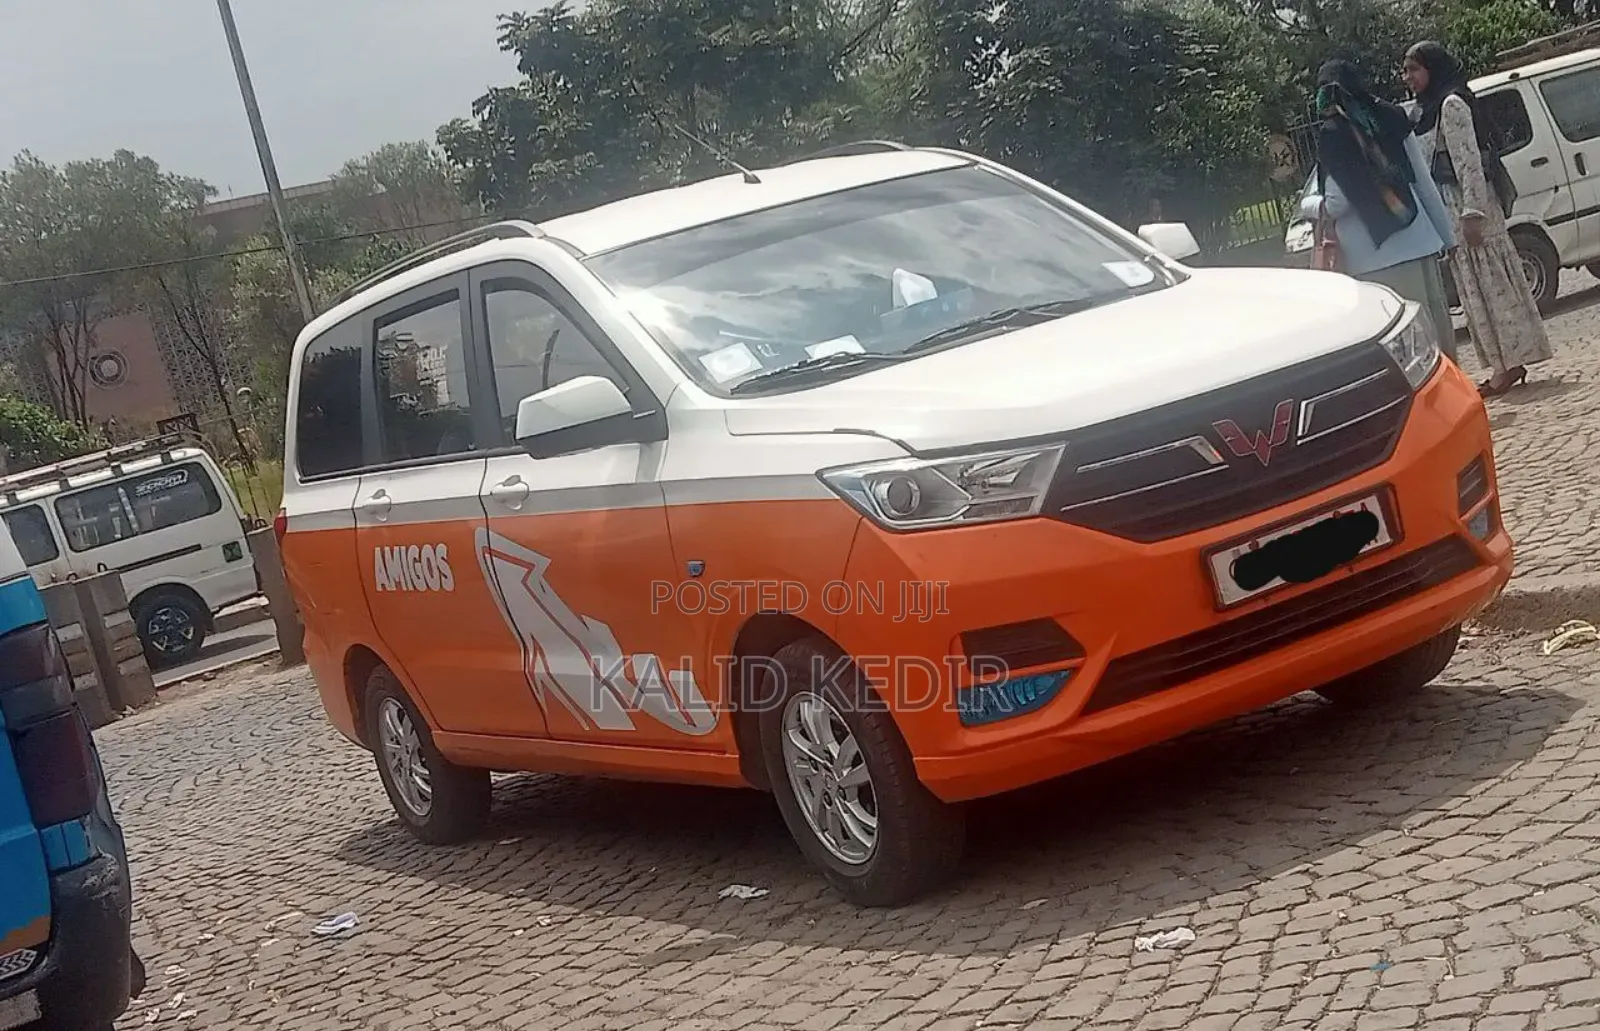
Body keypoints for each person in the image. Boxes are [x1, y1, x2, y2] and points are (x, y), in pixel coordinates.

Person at [1405, 41, 1552, 397]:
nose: (1407, 77)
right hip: (1448, 212)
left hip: (1469, 208)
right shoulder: (1423, 111)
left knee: (1491, 286)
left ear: (1432, 69)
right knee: (1474, 293)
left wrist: (1473, 214)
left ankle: (1508, 364)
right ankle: (1504, 363)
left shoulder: (1451, 106)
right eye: (1405, 71)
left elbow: (1470, 163)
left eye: (1414, 69)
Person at [1302, 60, 1457, 359]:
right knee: (1437, 335)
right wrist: (1447, 238)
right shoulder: (1390, 115)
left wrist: (1307, 205)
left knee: (1408, 348)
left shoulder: (1334, 133)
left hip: (1373, 258)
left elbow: (1337, 203)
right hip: (1420, 239)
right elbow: (1422, 180)